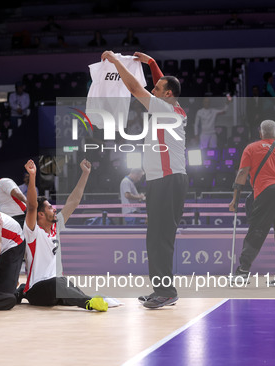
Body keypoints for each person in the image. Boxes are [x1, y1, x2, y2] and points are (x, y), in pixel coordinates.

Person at [103, 50, 187, 309]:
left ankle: (167, 291)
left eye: (158, 87)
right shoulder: (171, 107)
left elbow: (134, 87)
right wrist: (152, 63)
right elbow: (162, 83)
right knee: (155, 237)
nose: (154, 87)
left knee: (160, 237)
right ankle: (161, 289)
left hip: (168, 180)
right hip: (161, 181)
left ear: (167, 94)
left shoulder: (166, 109)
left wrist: (117, 63)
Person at [17, 159, 108, 312]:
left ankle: (21, 290)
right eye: (50, 207)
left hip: (55, 287)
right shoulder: (33, 231)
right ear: (40, 214)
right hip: (38, 289)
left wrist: (85, 174)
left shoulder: (56, 225)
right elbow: (31, 206)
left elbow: (73, 201)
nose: (54, 209)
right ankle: (89, 303)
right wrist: (32, 176)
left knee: (65, 284)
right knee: (58, 284)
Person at [229, 120, 275, 286]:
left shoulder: (252, 148)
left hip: (268, 190)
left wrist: (235, 198)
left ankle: (243, 271)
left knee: (258, 229)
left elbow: (242, 173)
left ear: (260, 133)